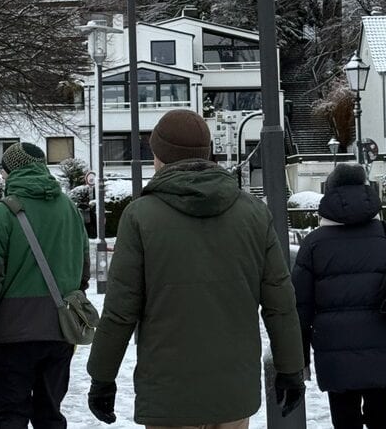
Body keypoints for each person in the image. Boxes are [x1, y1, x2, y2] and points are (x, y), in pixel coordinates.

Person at [86, 109, 306, 428]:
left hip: (168, 393)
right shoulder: (254, 214)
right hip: (233, 391)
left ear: (160, 156)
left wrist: (102, 377)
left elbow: (121, 310)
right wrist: (291, 369)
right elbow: (280, 303)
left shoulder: (140, 217)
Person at [292, 162, 386, 429]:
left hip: (335, 349)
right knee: (382, 415)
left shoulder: (314, 243)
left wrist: (300, 357)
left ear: (329, 192)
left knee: (345, 419)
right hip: (385, 341)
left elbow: (300, 306)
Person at [0, 141, 90, 429]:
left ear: (10, 172)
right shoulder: (69, 209)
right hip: (60, 332)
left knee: (9, 416)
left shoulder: (4, 212)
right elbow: (82, 273)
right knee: (50, 415)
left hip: (14, 337)